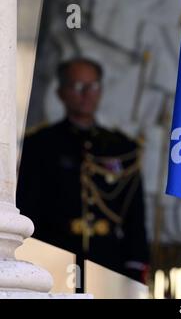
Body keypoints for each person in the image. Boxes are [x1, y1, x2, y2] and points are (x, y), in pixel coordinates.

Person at [17, 58, 149, 284]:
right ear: (61, 93)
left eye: (93, 86)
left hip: (109, 260)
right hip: (54, 257)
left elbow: (135, 216)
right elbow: (29, 208)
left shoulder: (122, 147)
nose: (86, 94)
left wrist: (135, 266)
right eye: (77, 87)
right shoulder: (39, 144)